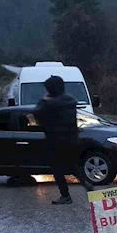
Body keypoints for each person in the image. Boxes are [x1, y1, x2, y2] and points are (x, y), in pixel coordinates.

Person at [33, 75, 86, 205]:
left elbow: (36, 114)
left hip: (55, 141)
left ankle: (65, 195)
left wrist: (43, 99)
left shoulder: (47, 103)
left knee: (57, 168)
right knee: (72, 165)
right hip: (72, 139)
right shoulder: (71, 101)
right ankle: (87, 183)